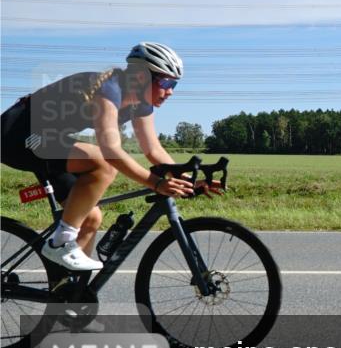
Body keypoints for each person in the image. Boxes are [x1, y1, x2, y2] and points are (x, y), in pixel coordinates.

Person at [1, 42, 218, 271]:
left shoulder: (141, 105)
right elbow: (110, 150)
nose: (170, 90)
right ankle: (59, 243)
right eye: (165, 82)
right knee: (102, 164)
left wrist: (187, 181)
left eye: (174, 84)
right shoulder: (109, 89)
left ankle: (68, 295)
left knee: (90, 217)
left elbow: (153, 151)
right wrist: (156, 183)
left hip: (49, 141)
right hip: (16, 135)